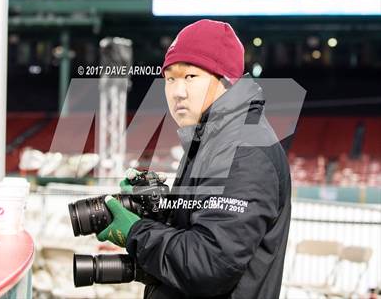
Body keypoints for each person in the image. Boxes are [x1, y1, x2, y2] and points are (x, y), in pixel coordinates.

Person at [98, 19, 292, 299]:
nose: (177, 92)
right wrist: (156, 210)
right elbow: (202, 225)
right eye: (170, 78)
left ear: (227, 80)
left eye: (191, 77)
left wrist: (137, 233)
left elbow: (210, 264)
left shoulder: (245, 149)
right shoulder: (212, 138)